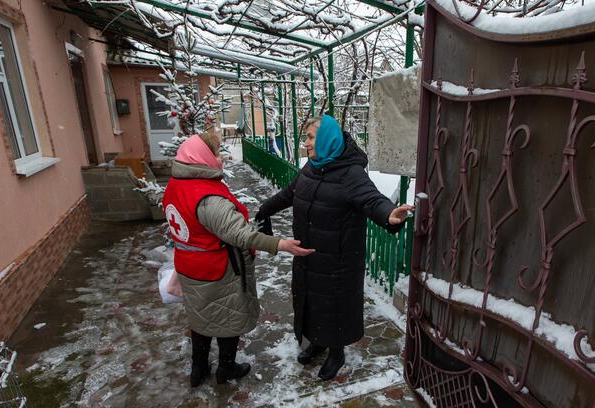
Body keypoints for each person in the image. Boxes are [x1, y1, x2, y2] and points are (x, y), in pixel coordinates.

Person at [255, 115, 413, 381]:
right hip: (308, 255)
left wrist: (389, 215)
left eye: (310, 137)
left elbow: (372, 199)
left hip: (339, 261)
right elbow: (289, 194)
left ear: (328, 139)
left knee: (334, 306)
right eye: (305, 137)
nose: (305, 143)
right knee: (312, 303)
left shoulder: (351, 174)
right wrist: (265, 209)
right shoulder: (312, 167)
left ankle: (336, 353)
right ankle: (317, 341)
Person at [162, 132, 313, 388]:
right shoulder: (207, 198)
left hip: (189, 265)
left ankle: (198, 370)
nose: (221, 158)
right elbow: (241, 235)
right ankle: (226, 368)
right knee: (227, 319)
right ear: (202, 158)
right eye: (217, 153)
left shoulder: (177, 185)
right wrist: (280, 245)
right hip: (218, 270)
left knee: (201, 317)